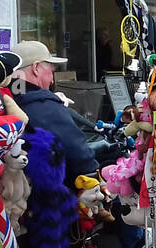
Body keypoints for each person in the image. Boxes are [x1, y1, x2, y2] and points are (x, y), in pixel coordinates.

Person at [10, 40, 98, 184]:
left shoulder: (6, 99)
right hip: (54, 195)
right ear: (36, 68)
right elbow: (80, 156)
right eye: (51, 71)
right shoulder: (45, 107)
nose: (52, 80)